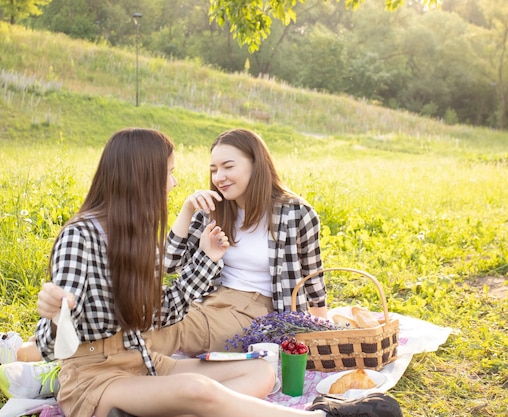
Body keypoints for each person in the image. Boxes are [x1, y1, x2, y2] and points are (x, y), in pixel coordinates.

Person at [28, 127, 404, 417]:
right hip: (99, 371)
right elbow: (59, 337)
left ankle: (147, 407)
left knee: (262, 374)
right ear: (142, 176)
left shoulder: (135, 233)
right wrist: (58, 315)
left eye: (228, 166)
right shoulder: (82, 235)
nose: (177, 183)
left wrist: (318, 329)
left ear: (256, 164)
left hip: (147, 358)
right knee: (196, 386)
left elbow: (161, 309)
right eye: (170, 173)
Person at [146, 127, 328, 356]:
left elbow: (313, 279)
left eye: (228, 166)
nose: (219, 177)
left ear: (256, 164)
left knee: (175, 327)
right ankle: (108, 361)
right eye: (214, 170)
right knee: (148, 314)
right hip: (207, 300)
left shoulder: (295, 214)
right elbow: (169, 264)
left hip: (256, 311)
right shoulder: (212, 211)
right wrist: (187, 209)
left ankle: (113, 370)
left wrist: (321, 338)